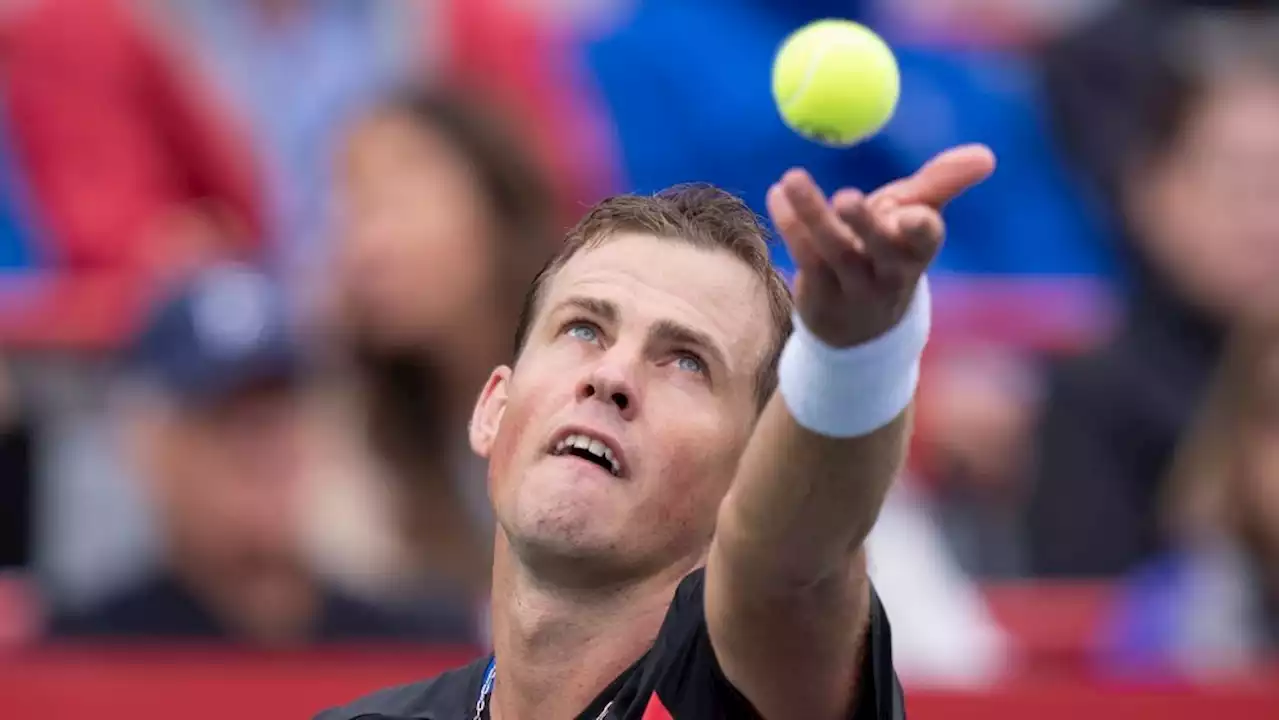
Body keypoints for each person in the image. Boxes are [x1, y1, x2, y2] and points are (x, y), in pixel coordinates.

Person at [318, 142, 995, 719]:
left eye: (686, 362)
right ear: (493, 406)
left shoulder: (746, 690)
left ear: (749, 472)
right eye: (583, 328)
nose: (611, 376)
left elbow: (791, 564)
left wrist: (854, 357)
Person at [45, 263, 470, 646]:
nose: (264, 446)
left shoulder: (410, 648)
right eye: (224, 417)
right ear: (152, 448)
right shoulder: (84, 651)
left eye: (281, 411)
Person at [1029, 8, 1280, 577]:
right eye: (1239, 181)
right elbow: (1084, 622)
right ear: (1149, 191)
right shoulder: (1095, 396)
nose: (1266, 219)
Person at [305, 86, 559, 606]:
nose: (366, 246)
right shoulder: (355, 439)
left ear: (496, 205)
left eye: (397, 202)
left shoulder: (604, 384)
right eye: (352, 213)